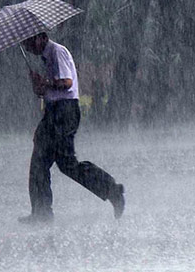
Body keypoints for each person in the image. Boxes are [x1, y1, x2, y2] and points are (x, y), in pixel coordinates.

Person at [18, 32, 125, 224]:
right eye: (24, 44)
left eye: (28, 42)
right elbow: (47, 90)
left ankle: (112, 190)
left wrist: (46, 83)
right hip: (53, 112)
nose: (27, 47)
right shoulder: (46, 57)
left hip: (64, 112)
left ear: (41, 37)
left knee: (66, 164)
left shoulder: (57, 52)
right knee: (39, 164)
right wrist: (38, 86)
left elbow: (67, 83)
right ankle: (41, 213)